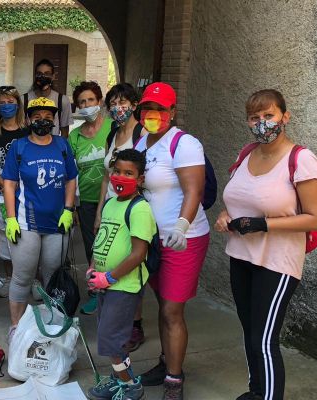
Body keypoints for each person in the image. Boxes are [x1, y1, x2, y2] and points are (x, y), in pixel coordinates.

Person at [215, 89, 317, 400]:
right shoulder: (247, 153)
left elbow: (316, 218)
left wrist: (265, 224)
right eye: (254, 118)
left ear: (284, 117)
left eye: (269, 116)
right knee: (251, 333)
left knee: (265, 340)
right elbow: (237, 200)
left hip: (277, 261)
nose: (261, 123)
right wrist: (225, 216)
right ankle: (257, 391)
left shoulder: (301, 159)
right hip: (241, 255)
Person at [133, 82, 211, 399]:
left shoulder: (184, 144)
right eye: (147, 109)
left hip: (184, 238)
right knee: (162, 303)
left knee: (172, 311)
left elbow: (194, 191)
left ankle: (174, 380)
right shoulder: (140, 145)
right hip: (152, 239)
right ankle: (166, 361)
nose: (153, 115)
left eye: (160, 110)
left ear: (172, 112)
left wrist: (181, 225)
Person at [1, 97, 78, 341]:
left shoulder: (63, 146)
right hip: (26, 223)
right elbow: (9, 184)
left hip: (57, 223)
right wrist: (11, 218)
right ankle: (16, 327)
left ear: (54, 119)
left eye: (48, 116)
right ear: (28, 119)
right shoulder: (19, 147)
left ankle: (50, 325)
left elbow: (70, 179)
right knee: (23, 277)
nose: (42, 121)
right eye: (37, 116)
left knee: (52, 276)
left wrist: (69, 209)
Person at [86, 149, 155, 400]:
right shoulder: (110, 203)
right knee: (109, 336)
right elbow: (101, 238)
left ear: (140, 179)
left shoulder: (140, 209)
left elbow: (138, 253)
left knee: (110, 340)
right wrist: (94, 268)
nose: (121, 177)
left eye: (129, 173)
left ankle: (130, 384)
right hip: (106, 284)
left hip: (123, 287)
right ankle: (118, 380)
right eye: (117, 171)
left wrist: (111, 277)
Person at [96, 83, 148, 350]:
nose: (119, 108)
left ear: (135, 104)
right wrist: (99, 214)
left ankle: (134, 323)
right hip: (111, 206)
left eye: (123, 102)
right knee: (110, 253)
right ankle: (112, 310)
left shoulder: (142, 133)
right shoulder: (112, 133)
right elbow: (107, 176)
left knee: (131, 261)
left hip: (129, 209)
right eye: (113, 103)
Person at [68, 81, 112, 315]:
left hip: (114, 200)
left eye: (91, 100)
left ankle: (113, 291)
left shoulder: (113, 128)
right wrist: (72, 205)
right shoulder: (74, 136)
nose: (86, 105)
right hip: (86, 201)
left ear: (100, 102)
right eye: (82, 102)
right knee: (92, 249)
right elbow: (71, 173)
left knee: (113, 248)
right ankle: (96, 292)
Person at [0, 85, 30, 299]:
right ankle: (11, 279)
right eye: (2, 102)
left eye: (11, 102)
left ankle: (30, 279)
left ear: (18, 104)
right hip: (1, 194)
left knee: (29, 235)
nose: (6, 106)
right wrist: (6, 184)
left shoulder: (27, 132)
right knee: (6, 236)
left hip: (27, 193)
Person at [24, 59, 72, 137]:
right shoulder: (24, 100)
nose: (43, 77)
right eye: (39, 73)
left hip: (53, 146)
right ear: (35, 76)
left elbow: (64, 132)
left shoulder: (62, 100)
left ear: (53, 76)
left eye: (47, 74)